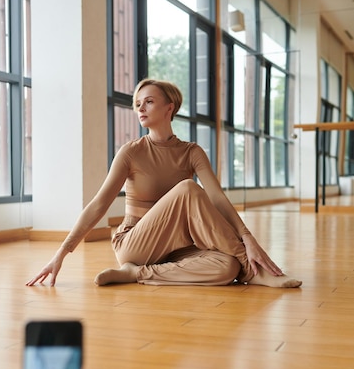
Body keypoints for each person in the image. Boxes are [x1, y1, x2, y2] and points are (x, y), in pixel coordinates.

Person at [26, 79, 302, 289]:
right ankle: (254, 271)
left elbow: (217, 199)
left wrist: (248, 237)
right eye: (137, 104)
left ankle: (137, 274)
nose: (140, 109)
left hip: (174, 248)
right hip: (134, 243)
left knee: (226, 267)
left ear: (169, 107)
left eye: (148, 102)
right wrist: (62, 252)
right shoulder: (131, 151)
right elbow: (99, 204)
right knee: (188, 188)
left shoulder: (192, 152)